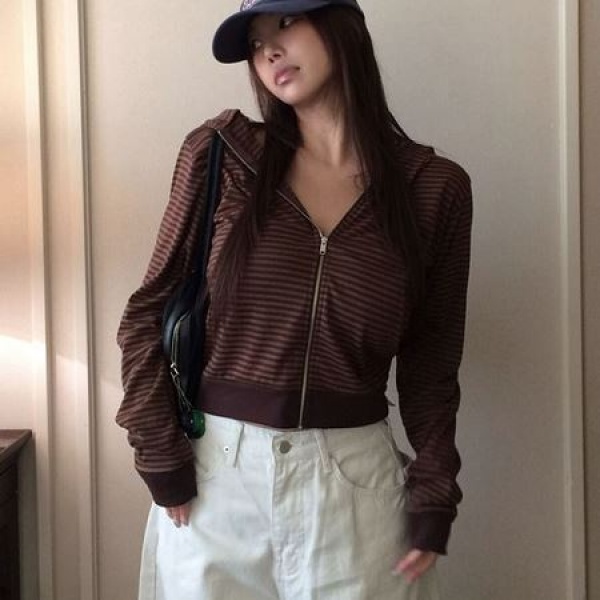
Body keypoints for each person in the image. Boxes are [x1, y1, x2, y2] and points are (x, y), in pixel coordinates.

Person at [116, 0, 472, 598]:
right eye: (256, 43)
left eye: (285, 23)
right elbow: (146, 314)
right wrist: (159, 453)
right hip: (215, 485)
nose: (270, 51)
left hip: (357, 489)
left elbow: (432, 361)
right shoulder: (221, 155)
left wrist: (435, 490)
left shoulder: (434, 189)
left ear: (343, 24)